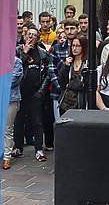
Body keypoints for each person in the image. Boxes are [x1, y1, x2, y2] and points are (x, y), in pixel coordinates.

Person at [15, 25, 52, 161]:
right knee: (19, 120)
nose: (31, 37)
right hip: (19, 92)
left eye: (34, 35)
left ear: (38, 39)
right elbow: (16, 68)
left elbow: (48, 74)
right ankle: (17, 146)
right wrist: (25, 53)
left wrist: (41, 92)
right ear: (24, 36)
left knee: (37, 121)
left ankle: (39, 149)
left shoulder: (43, 53)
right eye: (28, 35)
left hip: (36, 92)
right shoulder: (17, 51)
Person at [58, 34, 90, 112]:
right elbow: (62, 82)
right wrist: (66, 66)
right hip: (66, 103)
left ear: (84, 47)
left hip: (81, 102)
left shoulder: (87, 63)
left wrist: (70, 85)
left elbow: (84, 85)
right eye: (73, 46)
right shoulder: (69, 62)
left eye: (78, 46)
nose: (74, 48)